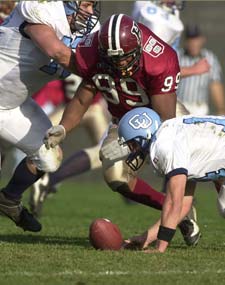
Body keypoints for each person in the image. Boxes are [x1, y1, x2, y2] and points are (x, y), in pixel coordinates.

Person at [42, 13, 200, 246]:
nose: (120, 64)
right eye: (113, 58)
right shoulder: (93, 52)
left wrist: (133, 146)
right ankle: (182, 215)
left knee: (182, 159)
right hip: (123, 119)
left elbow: (164, 123)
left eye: (126, 58)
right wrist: (63, 128)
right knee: (115, 176)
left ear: (137, 47)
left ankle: (203, 197)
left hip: (162, 116)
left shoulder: (159, 58)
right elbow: (82, 98)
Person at [0, 1, 100, 232]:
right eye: (86, 5)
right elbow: (57, 52)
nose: (91, 13)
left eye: (93, 6)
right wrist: (98, 71)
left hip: (14, 105)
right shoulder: (42, 9)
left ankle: (9, 199)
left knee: (48, 156)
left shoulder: (89, 32)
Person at [117, 106, 225, 253]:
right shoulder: (171, 134)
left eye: (133, 144)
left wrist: (160, 247)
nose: (133, 151)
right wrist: (146, 238)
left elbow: (174, 202)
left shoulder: (164, 145)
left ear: (144, 134)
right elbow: (183, 206)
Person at [177, 24, 225, 115]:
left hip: (199, 108)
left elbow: (215, 84)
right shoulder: (177, 55)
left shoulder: (209, 58)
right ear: (185, 41)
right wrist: (193, 69)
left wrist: (221, 109)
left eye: (196, 39)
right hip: (179, 105)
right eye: (190, 39)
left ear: (202, 39)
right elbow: (168, 75)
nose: (193, 43)